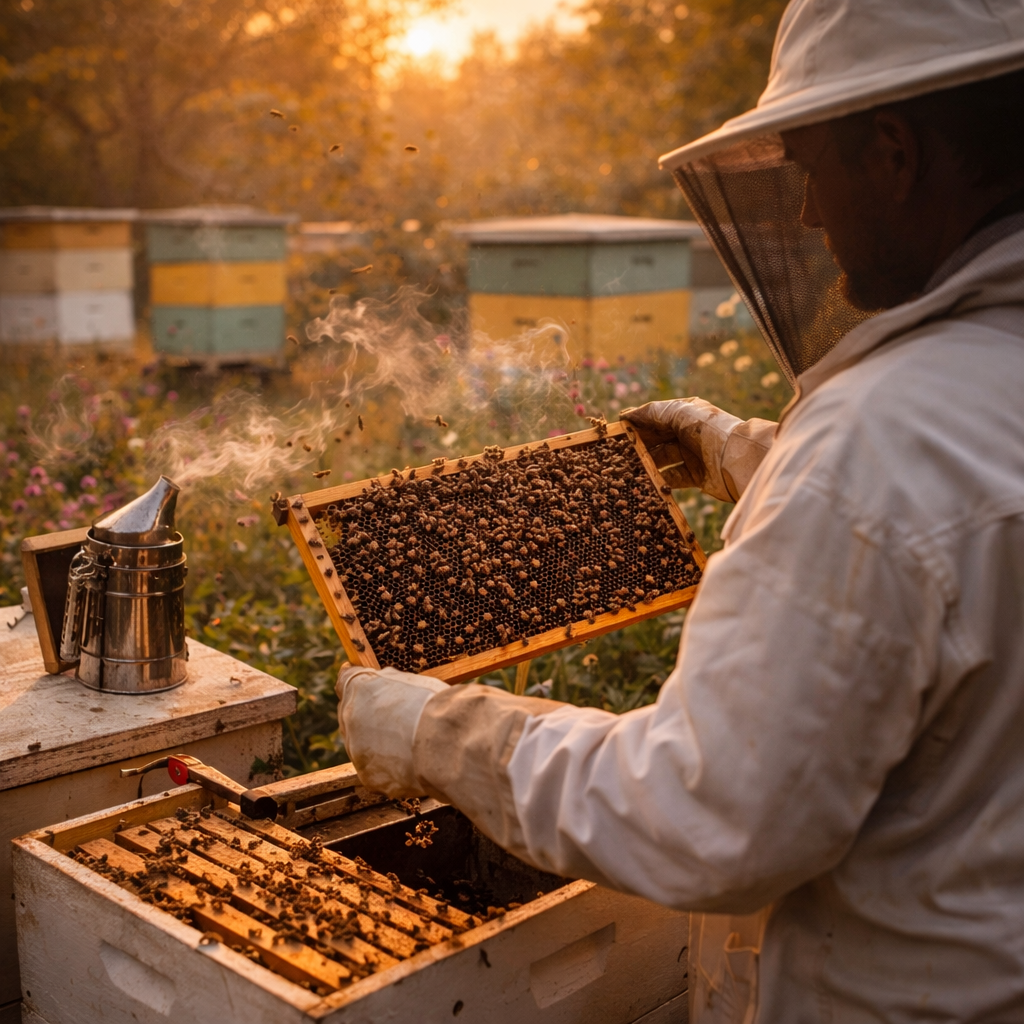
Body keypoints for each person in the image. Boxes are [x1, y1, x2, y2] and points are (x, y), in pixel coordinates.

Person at [335, 0, 1024, 1019]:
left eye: (809, 165)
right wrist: (745, 449)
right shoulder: (940, 416)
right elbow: (959, 523)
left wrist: (438, 729)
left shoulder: (869, 450)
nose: (804, 216)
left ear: (891, 151)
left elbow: (704, 817)